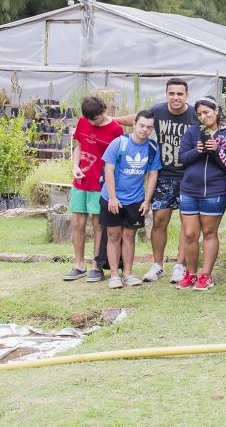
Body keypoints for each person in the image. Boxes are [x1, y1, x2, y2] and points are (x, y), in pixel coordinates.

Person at [115, 78, 193, 284]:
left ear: (187, 95)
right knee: (159, 221)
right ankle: (158, 265)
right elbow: (138, 118)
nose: (175, 97)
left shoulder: (194, 114)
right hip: (164, 175)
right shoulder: (158, 111)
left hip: (188, 176)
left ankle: (180, 266)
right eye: (171, 93)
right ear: (166, 94)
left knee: (187, 224)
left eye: (180, 93)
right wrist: (112, 119)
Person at [176, 97, 226, 291]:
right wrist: (197, 150)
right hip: (189, 189)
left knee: (209, 233)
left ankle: (206, 276)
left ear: (216, 111)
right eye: (199, 114)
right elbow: (182, 159)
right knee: (189, 234)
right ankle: (190, 274)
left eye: (207, 112)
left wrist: (217, 150)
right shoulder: (192, 132)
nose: (203, 116)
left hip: (214, 190)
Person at [62, 95, 124, 282]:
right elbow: (79, 146)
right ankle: (79, 265)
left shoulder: (116, 129)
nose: (91, 123)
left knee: (98, 224)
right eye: (88, 119)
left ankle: (96, 267)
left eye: (95, 119)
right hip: (81, 181)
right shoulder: (83, 122)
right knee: (77, 222)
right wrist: (75, 166)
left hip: (101, 184)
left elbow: (117, 160)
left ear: (103, 111)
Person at [100, 111, 162, 289]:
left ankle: (128, 273)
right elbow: (109, 169)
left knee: (129, 236)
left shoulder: (152, 148)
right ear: (134, 125)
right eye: (141, 125)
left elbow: (152, 174)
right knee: (113, 236)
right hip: (113, 198)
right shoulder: (119, 143)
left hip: (136, 199)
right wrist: (112, 197)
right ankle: (114, 275)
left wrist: (147, 201)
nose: (145, 130)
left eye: (149, 127)